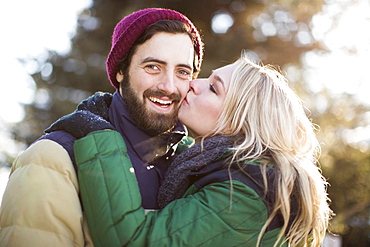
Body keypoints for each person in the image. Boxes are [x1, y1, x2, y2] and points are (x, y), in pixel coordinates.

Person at [72, 54, 332, 247]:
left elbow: (132, 240)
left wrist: (99, 134)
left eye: (213, 88)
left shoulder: (249, 193)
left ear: (240, 122)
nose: (194, 83)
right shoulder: (226, 169)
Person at [0, 8, 203, 246]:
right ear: (120, 71)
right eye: (152, 67)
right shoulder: (53, 158)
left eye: (182, 72)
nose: (169, 86)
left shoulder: (196, 166)